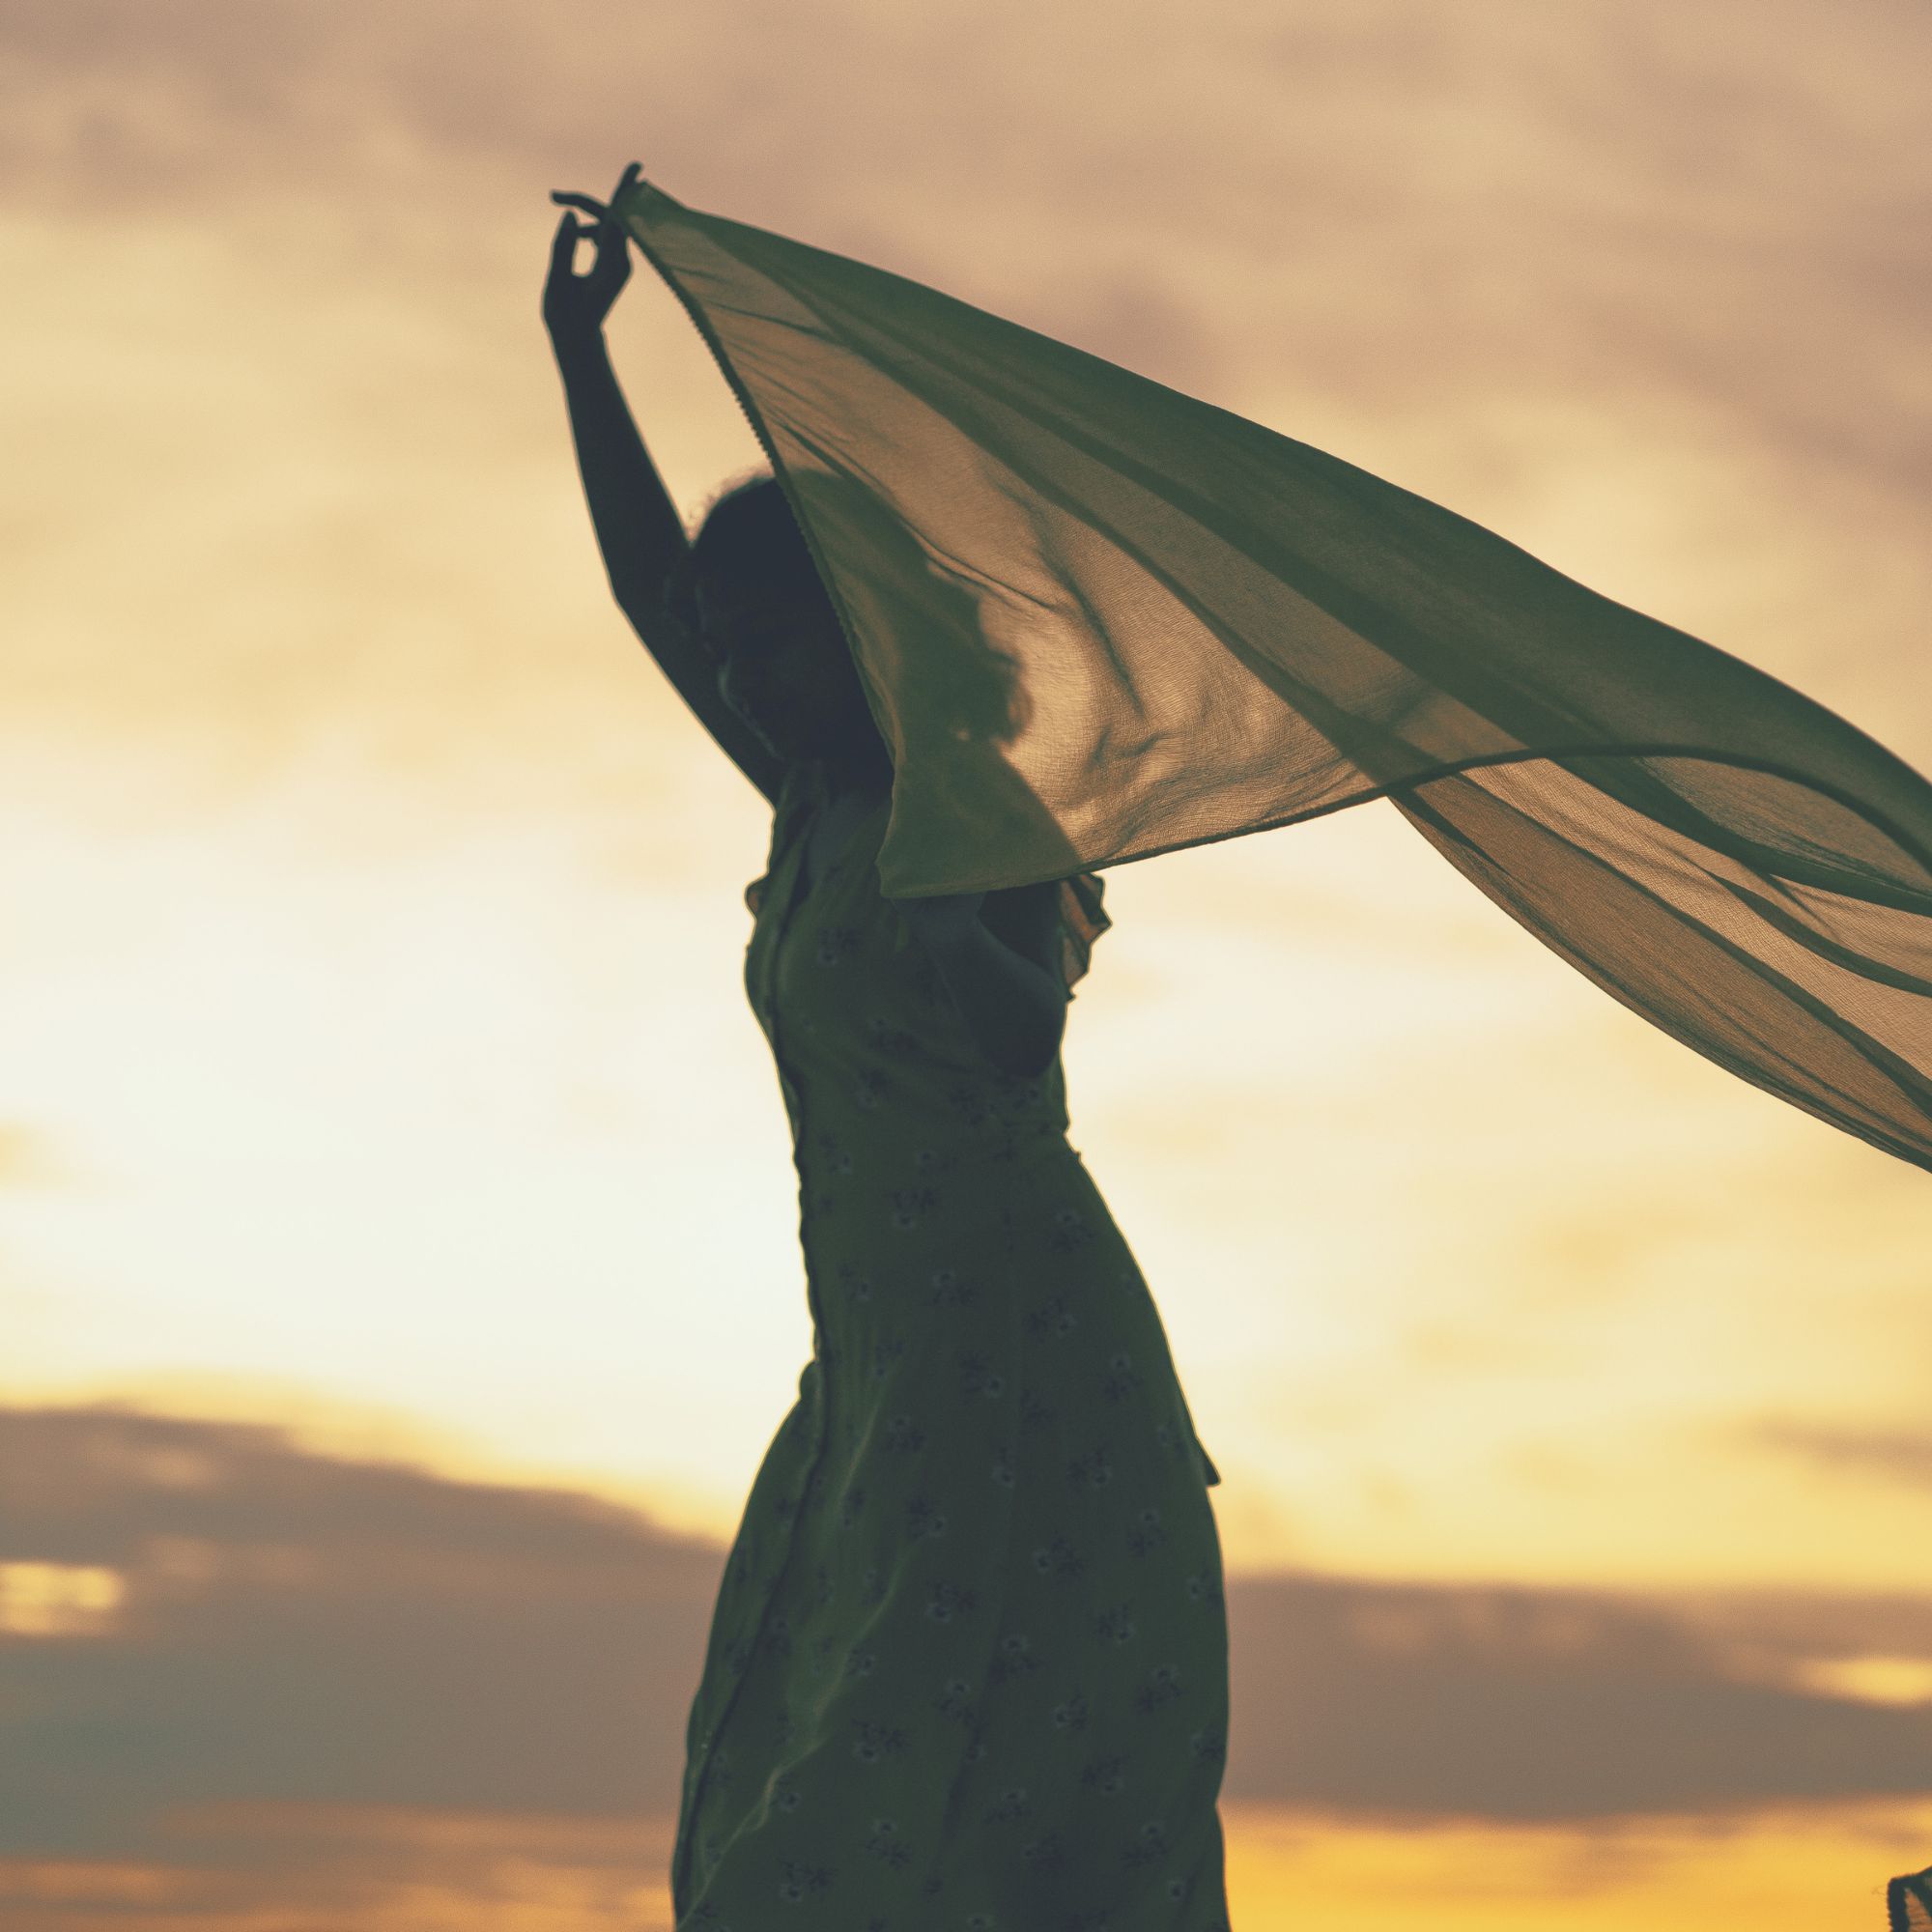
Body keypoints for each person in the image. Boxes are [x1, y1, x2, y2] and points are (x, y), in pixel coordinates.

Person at [546, 164, 1233, 1932]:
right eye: (745, 647)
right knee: (797, 1786)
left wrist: (948, 915)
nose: (755, 673)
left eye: (787, 637)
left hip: (1017, 1367)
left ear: (868, 637)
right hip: (873, 1373)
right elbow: (648, 594)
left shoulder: (972, 819)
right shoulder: (814, 802)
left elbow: (1016, 1044)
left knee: (903, 1821)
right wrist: (580, 356)